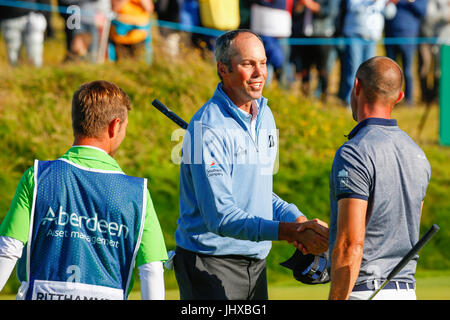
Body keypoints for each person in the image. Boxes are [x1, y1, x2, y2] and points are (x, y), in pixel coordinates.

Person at [173, 29, 329, 300]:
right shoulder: (207, 128)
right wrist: (288, 232)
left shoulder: (264, 114)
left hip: (255, 264)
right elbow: (220, 216)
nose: (259, 72)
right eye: (248, 64)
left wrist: (297, 219)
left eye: (263, 62)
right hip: (210, 264)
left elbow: (257, 194)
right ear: (223, 69)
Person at [0, 81, 168, 300]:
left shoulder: (38, 176)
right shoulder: (137, 193)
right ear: (114, 126)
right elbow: (151, 270)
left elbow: (8, 249)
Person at [328, 57, 431, 300]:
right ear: (399, 97)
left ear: (356, 87)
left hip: (364, 290)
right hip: (407, 291)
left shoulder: (354, 152)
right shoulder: (418, 154)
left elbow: (351, 244)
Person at [338, 0, 389, 105]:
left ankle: (365, 102)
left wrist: (390, 4)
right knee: (354, 69)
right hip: (355, 34)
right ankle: (350, 101)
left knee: (369, 72)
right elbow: (353, 7)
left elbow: (388, 13)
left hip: (372, 37)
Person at [289, 0, 340, 101]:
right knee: (304, 68)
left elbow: (330, 11)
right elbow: (295, 11)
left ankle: (323, 96)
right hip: (304, 35)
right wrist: (299, 5)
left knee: (322, 69)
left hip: (323, 36)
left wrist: (310, 4)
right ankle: (305, 95)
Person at [385, 0, 428, 106]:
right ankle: (390, 100)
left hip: (408, 36)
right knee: (390, 71)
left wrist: (411, 1)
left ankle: (409, 100)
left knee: (407, 70)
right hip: (390, 35)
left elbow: (422, 11)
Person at [0, 0, 49, 67]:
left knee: (35, 54)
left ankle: (35, 73)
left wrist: (43, 14)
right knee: (13, 55)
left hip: (32, 18)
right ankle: (16, 74)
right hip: (8, 20)